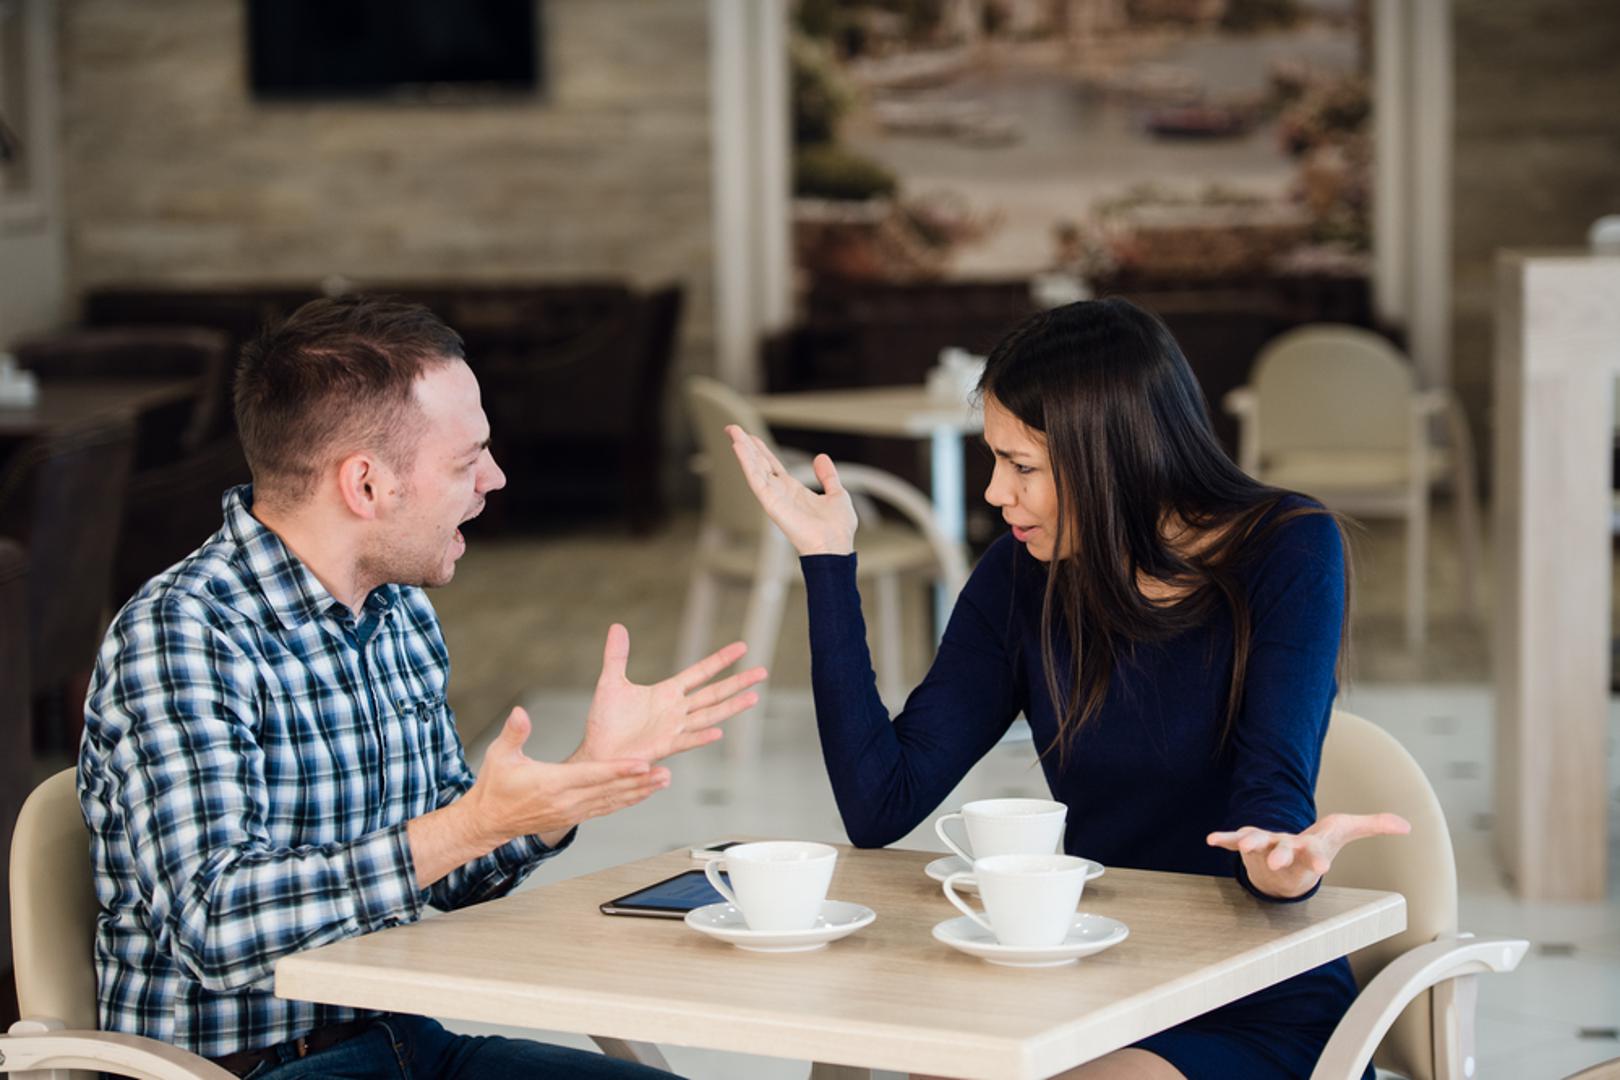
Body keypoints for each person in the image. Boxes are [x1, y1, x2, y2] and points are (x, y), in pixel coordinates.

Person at [79, 295, 765, 1079]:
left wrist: (567, 787)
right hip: (246, 1067)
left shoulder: (397, 610)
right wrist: (469, 825)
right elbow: (216, 924)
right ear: (366, 485)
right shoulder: (185, 634)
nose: (494, 478)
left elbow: (451, 872)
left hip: (403, 1044)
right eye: (466, 459)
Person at [726, 297, 1408, 1080]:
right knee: (885, 1056)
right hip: (1090, 975)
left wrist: (1282, 864)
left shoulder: (1285, 547)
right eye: (994, 459)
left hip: (1249, 992)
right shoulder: (1023, 573)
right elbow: (882, 803)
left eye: (1021, 467)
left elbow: (1270, 801)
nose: (993, 493)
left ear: (1113, 455)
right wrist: (827, 563)